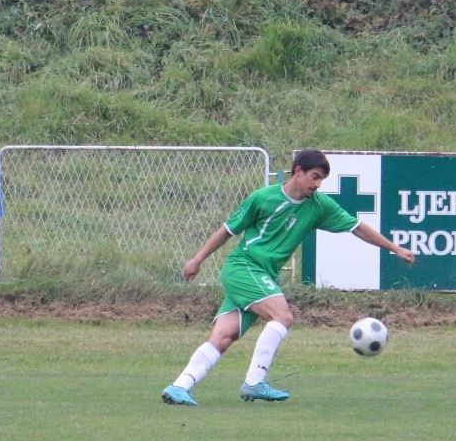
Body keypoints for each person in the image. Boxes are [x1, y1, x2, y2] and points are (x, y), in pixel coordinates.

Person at [161, 149, 415, 406]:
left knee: (224, 336)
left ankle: (179, 386)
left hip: (262, 275)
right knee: (282, 316)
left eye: (321, 180)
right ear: (298, 172)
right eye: (314, 177)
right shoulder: (263, 198)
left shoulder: (319, 206)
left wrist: (395, 248)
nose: (317, 185)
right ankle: (255, 381)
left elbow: (357, 228)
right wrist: (197, 259)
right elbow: (227, 231)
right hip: (244, 267)